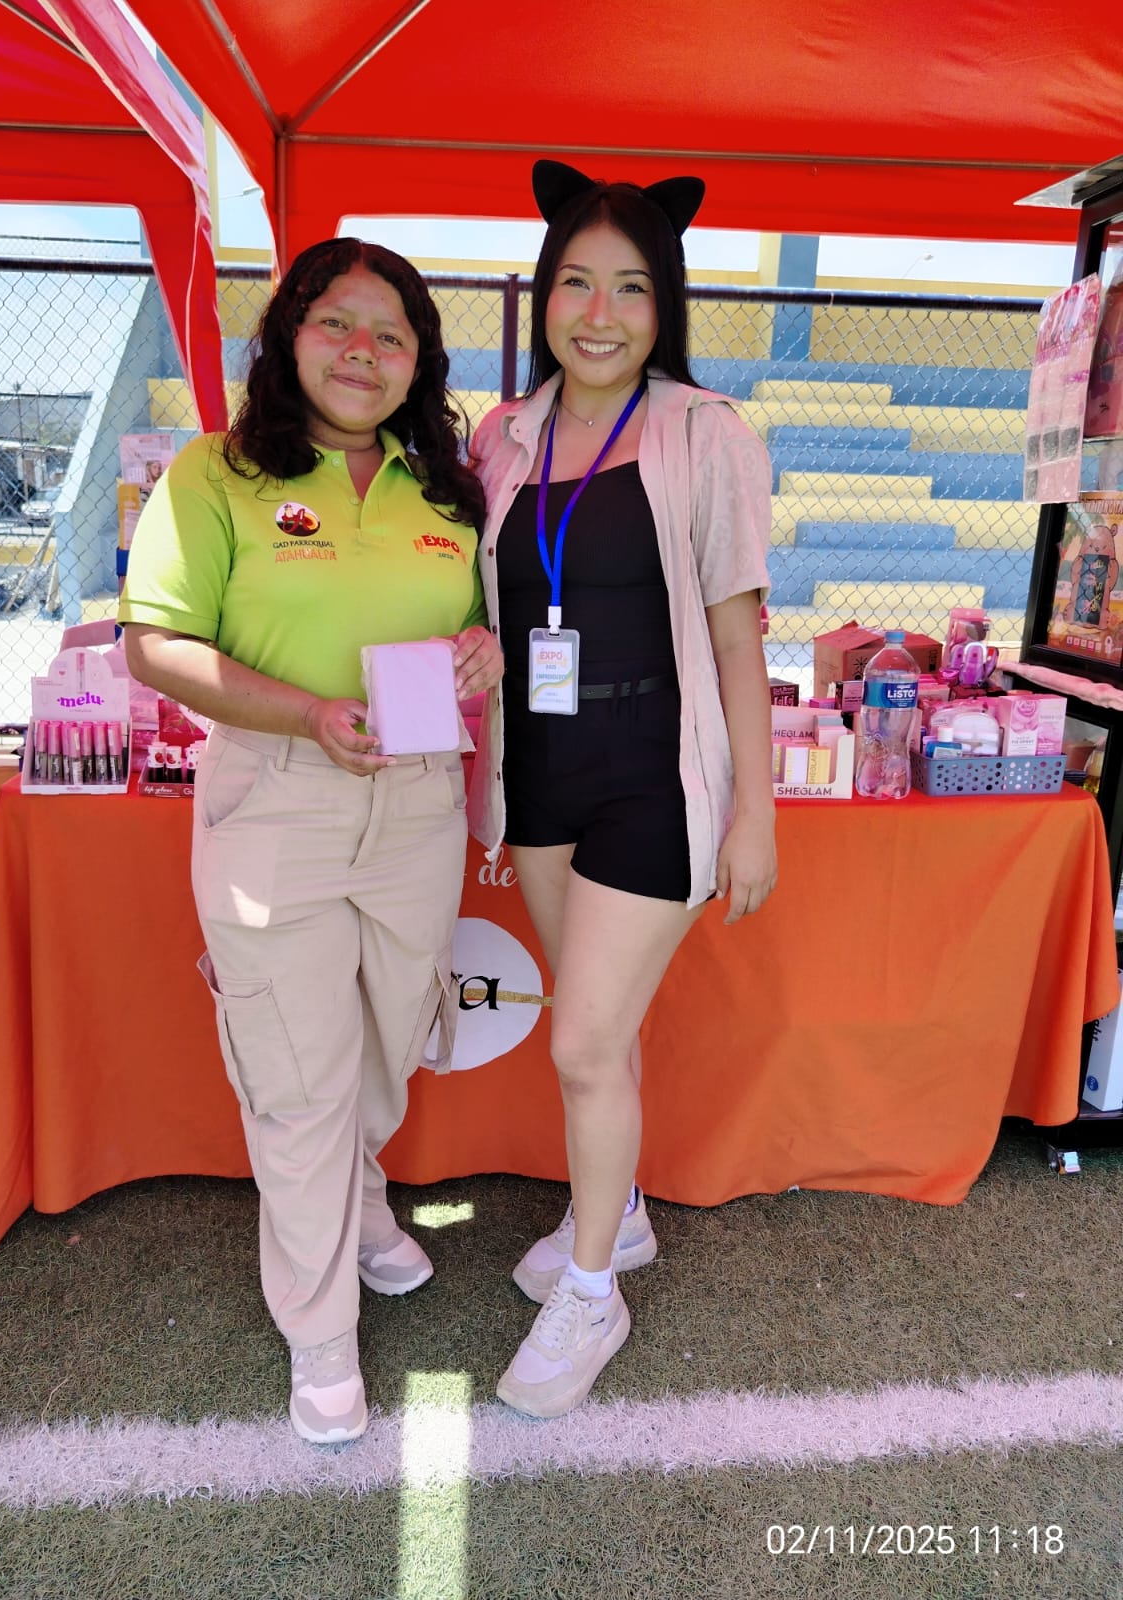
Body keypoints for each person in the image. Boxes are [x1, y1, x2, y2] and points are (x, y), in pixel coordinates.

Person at [118, 237, 503, 1444]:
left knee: (387, 1042)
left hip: (420, 800)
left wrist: (483, 654)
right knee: (298, 1077)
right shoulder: (218, 473)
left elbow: (477, 631)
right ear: (290, 336)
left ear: (418, 364)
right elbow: (155, 646)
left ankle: (365, 1197)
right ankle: (322, 1334)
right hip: (279, 799)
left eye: (392, 335)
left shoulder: (445, 494)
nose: (362, 352)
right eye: (337, 322)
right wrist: (305, 715)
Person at [466, 161, 777, 1417]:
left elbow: (740, 635)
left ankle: (592, 1292)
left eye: (633, 288)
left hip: (655, 766)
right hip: (539, 767)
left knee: (585, 1038)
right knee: (602, 1024)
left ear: (667, 305)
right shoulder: (502, 435)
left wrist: (756, 811)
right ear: (545, 293)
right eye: (578, 283)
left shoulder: (708, 432)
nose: (600, 314)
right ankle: (624, 1211)